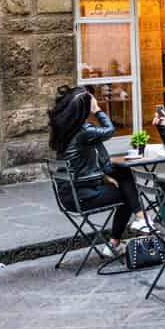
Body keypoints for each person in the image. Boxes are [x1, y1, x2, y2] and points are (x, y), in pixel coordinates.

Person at [49, 86, 141, 255]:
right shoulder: (83, 132)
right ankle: (120, 237)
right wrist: (98, 110)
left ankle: (139, 219)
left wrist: (104, 176)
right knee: (128, 195)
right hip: (82, 196)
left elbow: (78, 165)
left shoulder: (65, 131)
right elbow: (109, 130)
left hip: (69, 195)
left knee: (122, 174)